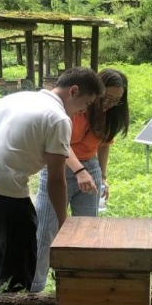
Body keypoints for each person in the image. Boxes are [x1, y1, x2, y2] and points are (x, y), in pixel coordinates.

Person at [0, 67, 103, 293]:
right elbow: (56, 179)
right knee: (20, 264)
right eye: (86, 103)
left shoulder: (14, 98)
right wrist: (63, 224)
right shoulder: (59, 119)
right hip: (5, 189)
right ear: (73, 91)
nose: (84, 110)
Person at [30, 68, 131, 292]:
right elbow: (61, 146)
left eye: (116, 101)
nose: (110, 104)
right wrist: (79, 171)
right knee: (46, 231)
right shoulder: (77, 108)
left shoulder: (109, 114)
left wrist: (102, 176)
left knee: (87, 231)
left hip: (89, 169)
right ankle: (35, 288)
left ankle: (79, 286)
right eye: (107, 98)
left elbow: (104, 145)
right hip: (59, 167)